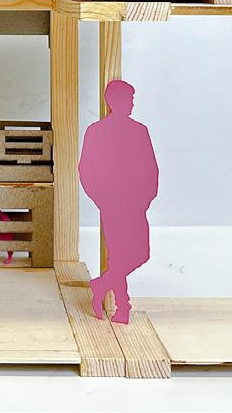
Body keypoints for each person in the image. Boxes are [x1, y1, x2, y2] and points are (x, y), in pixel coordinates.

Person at [78, 80, 158, 324]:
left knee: (141, 254)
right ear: (115, 101)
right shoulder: (96, 131)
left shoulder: (140, 131)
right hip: (112, 203)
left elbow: (151, 168)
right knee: (118, 255)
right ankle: (123, 307)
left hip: (135, 202)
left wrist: (146, 198)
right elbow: (86, 169)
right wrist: (100, 198)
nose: (132, 104)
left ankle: (101, 284)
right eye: (129, 99)